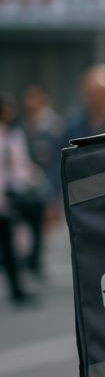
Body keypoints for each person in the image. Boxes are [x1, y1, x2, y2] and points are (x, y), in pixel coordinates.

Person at [18, 85, 63, 278]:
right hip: (27, 183)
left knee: (42, 223)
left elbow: (56, 159)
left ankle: (35, 257)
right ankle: (30, 257)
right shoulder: (23, 126)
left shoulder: (53, 126)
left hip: (46, 184)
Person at [0, 95, 39, 306]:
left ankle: (18, 287)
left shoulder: (12, 135)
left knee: (11, 242)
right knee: (10, 242)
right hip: (7, 195)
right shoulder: (9, 137)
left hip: (9, 195)